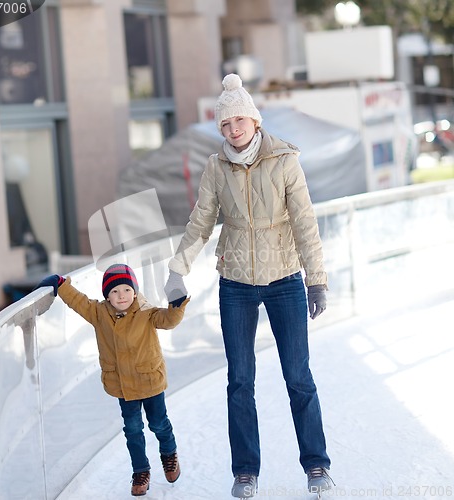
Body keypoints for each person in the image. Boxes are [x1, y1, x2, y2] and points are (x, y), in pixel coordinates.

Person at [164, 74, 333, 498]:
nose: (233, 129)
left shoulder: (285, 160)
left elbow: (305, 223)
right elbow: (201, 222)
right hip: (236, 283)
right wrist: (177, 268)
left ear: (254, 121)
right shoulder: (216, 167)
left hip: (284, 280)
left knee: (298, 376)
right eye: (225, 124)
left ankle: (316, 465)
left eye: (239, 120)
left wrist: (316, 280)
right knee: (240, 380)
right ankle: (246, 472)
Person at [37, 264, 189, 497]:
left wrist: (176, 306)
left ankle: (169, 454)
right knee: (132, 429)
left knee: (158, 423)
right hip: (122, 384)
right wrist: (61, 284)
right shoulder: (99, 313)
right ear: (107, 295)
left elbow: (168, 320)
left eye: (127, 290)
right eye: (115, 291)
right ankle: (141, 471)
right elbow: (79, 301)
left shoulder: (147, 312)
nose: (122, 296)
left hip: (149, 380)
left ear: (135, 292)